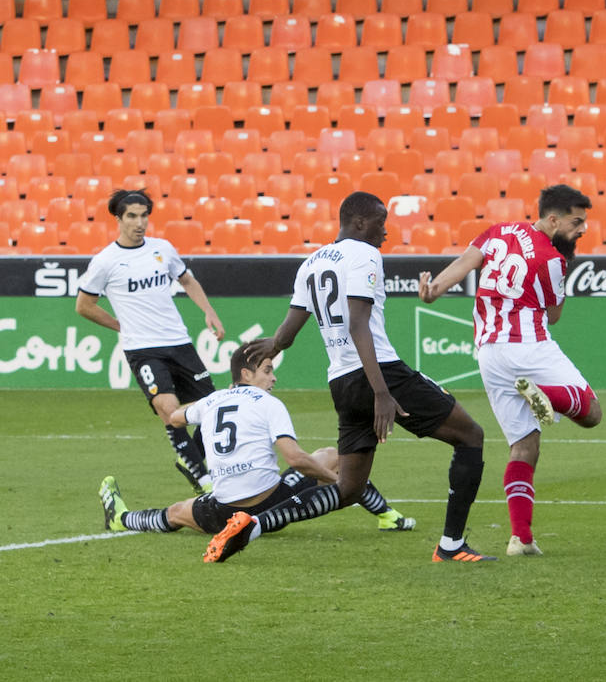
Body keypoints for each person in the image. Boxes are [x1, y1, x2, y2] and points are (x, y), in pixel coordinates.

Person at [202, 192, 491, 564]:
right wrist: (382, 392)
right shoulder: (365, 254)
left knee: (349, 488)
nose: (385, 232)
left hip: (341, 381)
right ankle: (451, 545)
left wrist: (270, 345)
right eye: (380, 223)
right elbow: (358, 323)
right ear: (358, 223)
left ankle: (253, 525)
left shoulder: (311, 262)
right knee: (471, 437)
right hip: (379, 373)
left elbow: (287, 335)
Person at [418, 184, 602, 557]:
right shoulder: (553, 258)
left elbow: (465, 263)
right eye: (576, 222)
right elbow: (553, 315)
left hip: (489, 353)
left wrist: (434, 288)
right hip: (528, 345)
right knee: (591, 412)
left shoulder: (498, 231)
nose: (582, 230)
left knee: (524, 445)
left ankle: (522, 538)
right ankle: (545, 395)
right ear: (553, 220)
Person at [98, 340, 414, 539]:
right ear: (246, 374)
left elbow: (175, 417)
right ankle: (386, 514)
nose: (273, 377)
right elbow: (296, 460)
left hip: (224, 509)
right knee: (330, 456)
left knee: (176, 512)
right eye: (267, 370)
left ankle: (122, 519)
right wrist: (344, 486)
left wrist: (198, 403)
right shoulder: (268, 404)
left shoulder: (212, 401)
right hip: (269, 503)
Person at [76, 188, 225, 496]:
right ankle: (202, 477)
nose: (139, 222)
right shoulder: (106, 261)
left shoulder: (163, 249)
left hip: (179, 343)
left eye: (144, 216)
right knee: (169, 410)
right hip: (143, 350)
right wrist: (119, 325)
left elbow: (186, 280)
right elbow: (84, 305)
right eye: (131, 216)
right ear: (118, 218)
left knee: (213, 410)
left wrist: (208, 311)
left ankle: (189, 459)